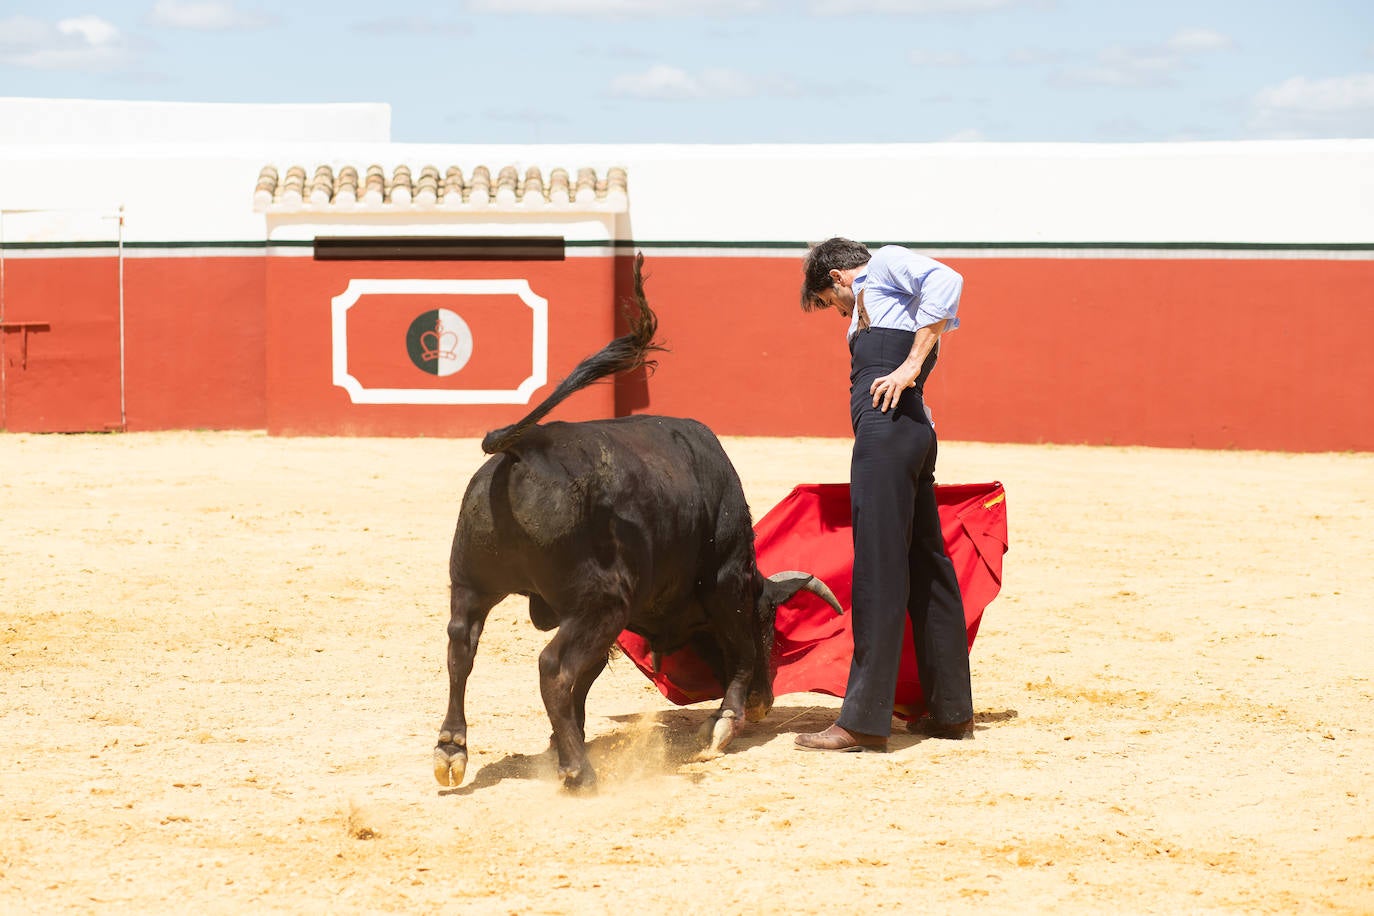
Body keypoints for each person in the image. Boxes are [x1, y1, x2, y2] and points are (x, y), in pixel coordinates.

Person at [794, 237, 974, 752]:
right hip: (911, 430)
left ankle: (863, 721)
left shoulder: (886, 263)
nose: (838, 315)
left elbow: (949, 280)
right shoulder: (879, 303)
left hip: (887, 433)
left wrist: (911, 367)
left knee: (878, 566)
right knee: (927, 564)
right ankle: (951, 711)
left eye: (832, 304)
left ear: (836, 278)